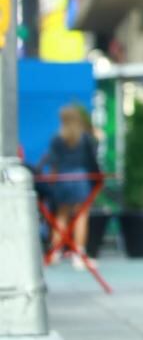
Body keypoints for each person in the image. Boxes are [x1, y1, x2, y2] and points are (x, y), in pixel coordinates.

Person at [34, 104, 101, 267]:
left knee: (61, 216)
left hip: (63, 179)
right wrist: (97, 180)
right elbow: (91, 161)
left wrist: (52, 180)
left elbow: (53, 163)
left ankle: (55, 252)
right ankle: (79, 254)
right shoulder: (84, 138)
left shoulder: (57, 138)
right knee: (81, 216)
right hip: (80, 179)